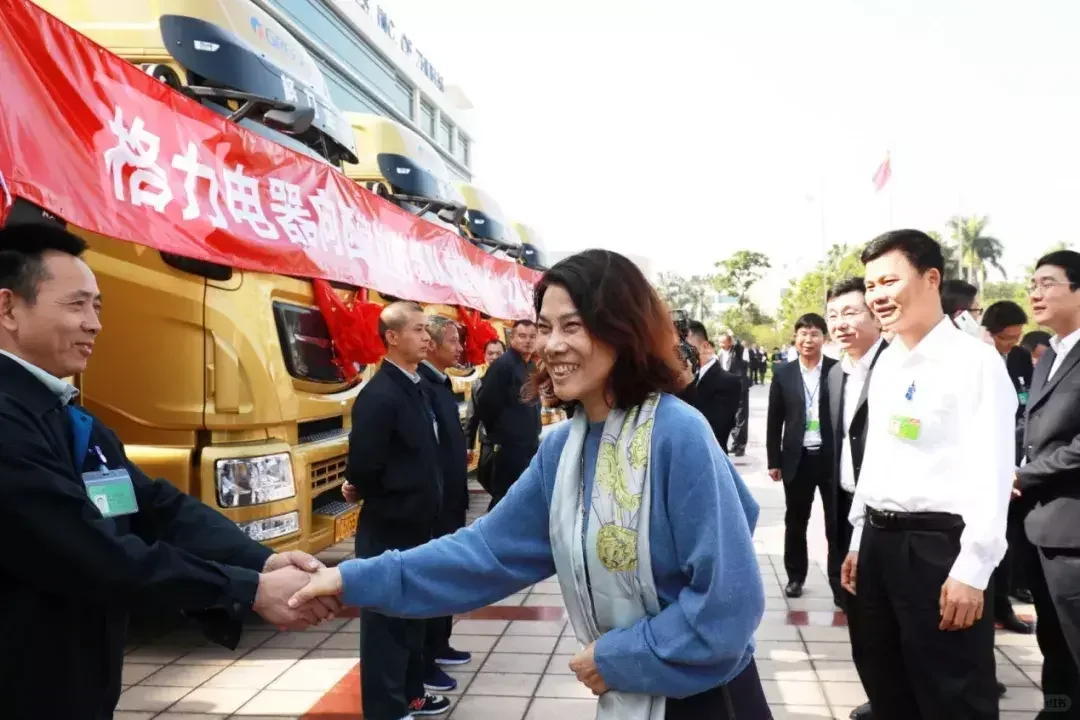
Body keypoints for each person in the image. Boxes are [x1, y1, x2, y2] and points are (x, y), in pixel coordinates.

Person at [288, 249, 772, 720]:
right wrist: (350, 578)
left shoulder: (675, 433)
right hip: (628, 693)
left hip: (709, 701)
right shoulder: (563, 449)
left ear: (623, 331)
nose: (551, 344)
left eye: (573, 326)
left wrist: (618, 656)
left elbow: (728, 605)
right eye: (544, 327)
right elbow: (482, 555)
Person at [0, 224, 337, 719]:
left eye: (98, 306)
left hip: (74, 679)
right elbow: (85, 550)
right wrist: (247, 590)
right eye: (76, 305)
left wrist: (260, 561)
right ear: (7, 308)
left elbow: (154, 506)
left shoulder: (66, 414)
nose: (94, 324)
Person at [841, 230, 1015, 720]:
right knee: (886, 683)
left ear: (931, 278)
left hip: (939, 552)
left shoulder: (975, 362)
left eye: (888, 281)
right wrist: (858, 538)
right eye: (870, 285)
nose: (876, 296)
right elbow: (878, 455)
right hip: (879, 544)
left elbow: (993, 471)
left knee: (951, 693)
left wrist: (972, 570)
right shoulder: (890, 360)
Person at [341, 301, 450, 719]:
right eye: (419, 330)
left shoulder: (415, 386)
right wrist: (358, 487)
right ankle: (386, 709)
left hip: (419, 526)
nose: (428, 338)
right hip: (389, 526)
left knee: (412, 616)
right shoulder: (379, 395)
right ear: (392, 337)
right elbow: (365, 463)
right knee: (386, 624)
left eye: (427, 330)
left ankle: (412, 695)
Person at [1015, 250, 1080, 718]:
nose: (1035, 293)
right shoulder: (1049, 355)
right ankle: (1058, 708)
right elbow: (1032, 431)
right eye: (1032, 283)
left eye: (1048, 282)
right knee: (1053, 634)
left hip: (1074, 527)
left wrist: (1024, 473)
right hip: (1041, 525)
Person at [824, 277, 886, 720]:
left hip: (886, 513)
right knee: (858, 611)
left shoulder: (896, 368)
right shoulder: (835, 374)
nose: (840, 324)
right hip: (845, 509)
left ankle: (898, 695)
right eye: (833, 316)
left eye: (851, 312)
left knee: (888, 609)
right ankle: (880, 694)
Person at [417, 316, 473, 691]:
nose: (459, 348)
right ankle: (425, 657)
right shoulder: (420, 386)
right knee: (431, 581)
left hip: (451, 499)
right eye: (452, 341)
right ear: (432, 345)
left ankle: (439, 642)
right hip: (433, 505)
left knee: (446, 577)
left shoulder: (440, 383)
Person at [767, 313, 838, 598]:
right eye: (803, 334)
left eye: (815, 334)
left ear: (824, 338)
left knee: (836, 523)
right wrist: (774, 460)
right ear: (795, 339)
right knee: (796, 521)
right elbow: (775, 420)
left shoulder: (836, 370)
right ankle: (795, 577)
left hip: (829, 458)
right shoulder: (783, 373)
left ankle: (838, 583)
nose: (809, 340)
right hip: (796, 459)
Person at [981, 300, 1037, 632]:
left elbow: (1028, 406)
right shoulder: (976, 358)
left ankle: (1004, 605)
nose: (1012, 344)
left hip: (1017, 463)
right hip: (985, 465)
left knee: (1008, 540)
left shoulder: (1018, 359)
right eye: (1006, 338)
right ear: (990, 333)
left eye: (1017, 337)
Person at [474, 319, 541, 509]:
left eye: (532, 337)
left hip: (528, 444)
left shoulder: (529, 365)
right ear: (512, 338)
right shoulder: (503, 365)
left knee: (522, 496)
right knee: (505, 498)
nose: (527, 341)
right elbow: (485, 403)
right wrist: (501, 433)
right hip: (509, 447)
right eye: (522, 336)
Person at [686, 320, 742, 452]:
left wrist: (685, 382)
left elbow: (714, 432)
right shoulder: (677, 380)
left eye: (686, 348)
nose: (681, 354)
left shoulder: (728, 382)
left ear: (706, 347)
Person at [464, 338, 504, 493]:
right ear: (485, 356)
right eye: (490, 353)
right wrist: (468, 446)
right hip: (487, 440)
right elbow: (472, 416)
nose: (494, 357)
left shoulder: (516, 380)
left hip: (511, 442)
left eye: (498, 354)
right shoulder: (478, 384)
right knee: (484, 475)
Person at [718, 332, 751, 456]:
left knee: (741, 417)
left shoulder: (738, 351)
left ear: (729, 342)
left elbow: (739, 346)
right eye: (719, 342)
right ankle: (734, 444)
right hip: (727, 388)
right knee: (731, 416)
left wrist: (732, 335)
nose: (720, 344)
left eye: (723, 342)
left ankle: (741, 446)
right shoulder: (720, 354)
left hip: (740, 388)